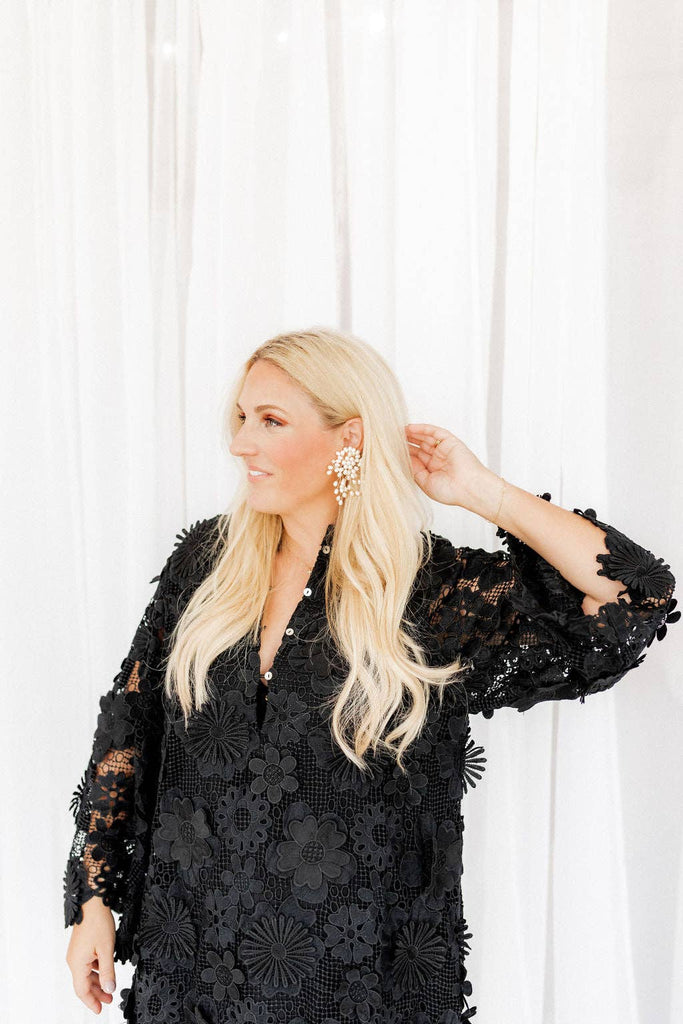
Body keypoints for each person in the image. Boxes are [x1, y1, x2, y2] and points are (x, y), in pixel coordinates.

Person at [64, 326, 677, 1023]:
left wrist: (483, 492)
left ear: (348, 436)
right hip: (190, 971)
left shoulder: (426, 593)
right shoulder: (206, 566)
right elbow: (131, 727)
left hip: (357, 986)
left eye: (270, 421)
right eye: (241, 417)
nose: (240, 443)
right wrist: (94, 900)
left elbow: (637, 598)